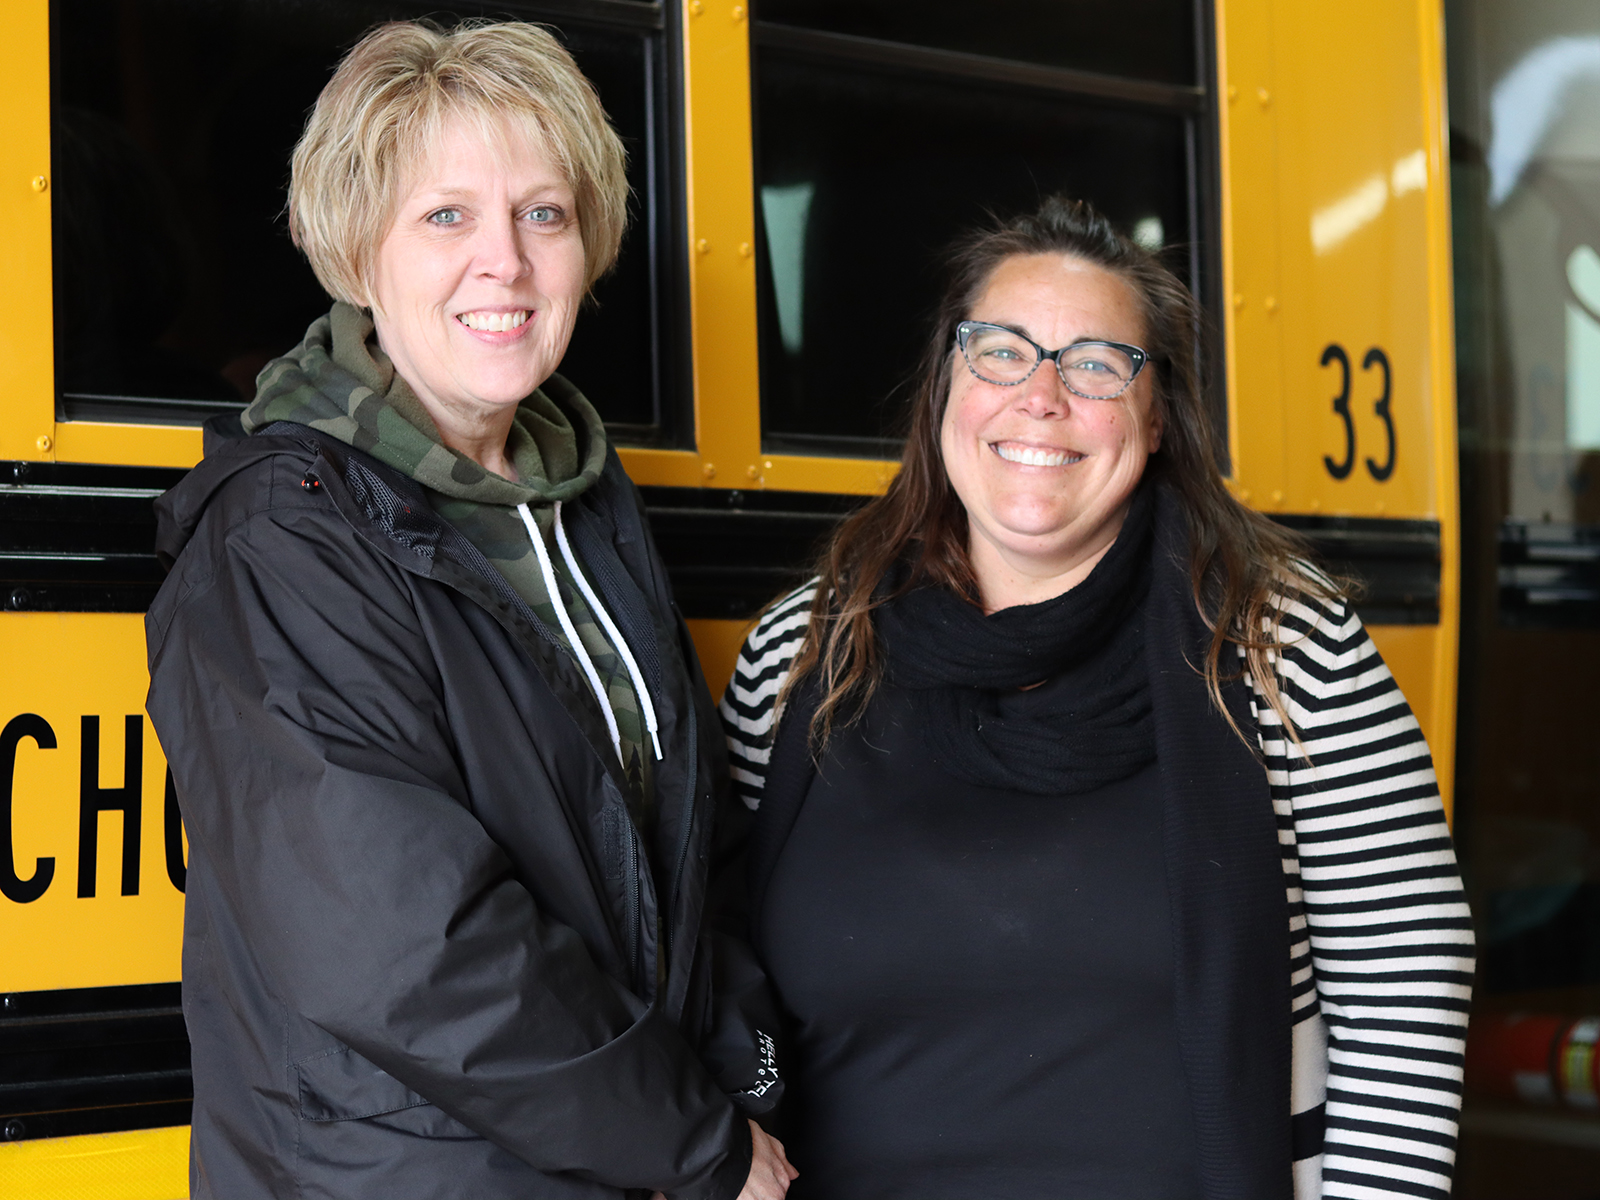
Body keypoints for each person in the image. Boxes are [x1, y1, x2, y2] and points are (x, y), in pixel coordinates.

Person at [146, 21, 795, 1200]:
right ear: (356, 249)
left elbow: (693, 843)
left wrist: (741, 1080)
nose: (504, 259)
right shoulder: (284, 533)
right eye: (445, 216)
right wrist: (693, 1143)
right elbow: (403, 948)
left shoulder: (581, 504)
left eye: (541, 214)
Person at [720, 196, 1474, 1200]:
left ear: (1155, 417)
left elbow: (1406, 980)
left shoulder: (1280, 646)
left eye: (1094, 364)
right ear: (946, 384)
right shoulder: (804, 652)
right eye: (1000, 351)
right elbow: (715, 969)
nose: (1040, 396)